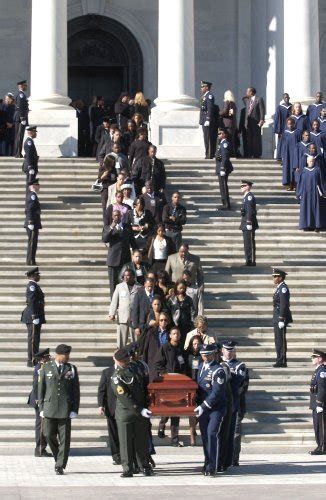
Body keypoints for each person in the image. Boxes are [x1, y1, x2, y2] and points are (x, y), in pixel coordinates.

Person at [38, 344, 80, 475]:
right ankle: (58, 457)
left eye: (68, 355)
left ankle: (60, 465)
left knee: (65, 439)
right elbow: (41, 389)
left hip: (65, 408)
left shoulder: (71, 368)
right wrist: (41, 407)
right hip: (49, 407)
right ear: (58, 355)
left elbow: (75, 391)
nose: (68, 357)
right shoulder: (46, 367)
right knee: (48, 434)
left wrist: (75, 409)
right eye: (66, 355)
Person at [111, 347, 153, 477]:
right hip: (126, 413)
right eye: (126, 359)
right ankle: (128, 468)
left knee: (142, 441)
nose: (129, 360)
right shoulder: (116, 376)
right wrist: (140, 409)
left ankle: (145, 466)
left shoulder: (134, 368)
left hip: (141, 411)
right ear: (119, 361)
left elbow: (143, 386)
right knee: (125, 442)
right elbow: (125, 397)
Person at [194, 343, 227, 476]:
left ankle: (212, 466)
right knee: (205, 437)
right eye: (203, 355)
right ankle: (207, 462)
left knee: (211, 434)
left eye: (207, 355)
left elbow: (217, 393)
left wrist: (203, 406)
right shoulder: (201, 367)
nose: (205, 357)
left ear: (213, 354)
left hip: (215, 408)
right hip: (203, 408)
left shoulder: (218, 370)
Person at [154, 327, 186, 446]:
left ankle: (175, 440)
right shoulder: (165, 348)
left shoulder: (181, 349)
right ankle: (162, 425)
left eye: (178, 333)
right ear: (170, 336)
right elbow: (157, 364)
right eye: (174, 333)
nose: (176, 335)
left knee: (176, 412)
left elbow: (183, 365)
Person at [221, 340, 248, 468]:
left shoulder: (240, 365)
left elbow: (242, 385)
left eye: (231, 350)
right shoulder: (218, 365)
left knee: (235, 434)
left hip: (235, 405)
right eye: (227, 350)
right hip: (220, 405)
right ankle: (222, 458)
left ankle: (233, 459)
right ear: (222, 350)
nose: (229, 352)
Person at [103, 209, 137, 299]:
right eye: (115, 216)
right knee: (113, 285)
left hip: (125, 261)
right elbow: (105, 239)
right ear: (112, 217)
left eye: (118, 215)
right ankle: (114, 306)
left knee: (125, 284)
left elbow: (132, 241)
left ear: (121, 216)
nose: (117, 217)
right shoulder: (108, 227)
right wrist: (111, 227)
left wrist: (136, 252)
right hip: (113, 261)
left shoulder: (127, 227)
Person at [27, 347, 52, 457]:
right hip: (39, 399)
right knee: (41, 424)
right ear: (43, 358)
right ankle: (40, 448)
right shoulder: (40, 368)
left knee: (42, 423)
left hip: (41, 398)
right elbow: (36, 384)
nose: (49, 358)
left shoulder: (44, 366)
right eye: (47, 357)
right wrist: (38, 399)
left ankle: (41, 448)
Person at [108, 268, 142, 348]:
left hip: (135, 318)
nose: (126, 277)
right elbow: (114, 301)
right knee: (121, 341)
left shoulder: (140, 287)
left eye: (128, 276)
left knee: (135, 340)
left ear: (133, 276)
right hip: (122, 317)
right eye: (125, 276)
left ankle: (135, 357)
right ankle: (120, 357)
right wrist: (111, 313)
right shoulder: (119, 287)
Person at [21, 267, 46, 367]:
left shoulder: (35, 285)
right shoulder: (32, 286)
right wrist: (34, 316)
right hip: (33, 316)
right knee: (33, 340)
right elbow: (31, 301)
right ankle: (32, 360)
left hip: (36, 315)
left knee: (35, 339)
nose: (39, 276)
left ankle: (34, 359)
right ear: (33, 276)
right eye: (37, 275)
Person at [97, 362, 121, 465]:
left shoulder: (128, 370)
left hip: (125, 408)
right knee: (113, 433)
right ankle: (116, 456)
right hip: (111, 407)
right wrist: (101, 405)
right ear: (114, 359)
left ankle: (127, 455)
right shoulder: (107, 372)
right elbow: (102, 390)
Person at [297, 155, 326, 232]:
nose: (311, 162)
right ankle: (307, 225)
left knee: (316, 209)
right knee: (306, 209)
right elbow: (299, 183)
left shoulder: (317, 170)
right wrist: (299, 193)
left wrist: (323, 191)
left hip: (315, 193)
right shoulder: (303, 171)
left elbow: (322, 181)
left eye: (313, 161)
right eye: (310, 161)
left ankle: (317, 225)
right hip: (305, 194)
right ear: (307, 161)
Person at [272, 268, 293, 368]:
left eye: (275, 276)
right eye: (273, 276)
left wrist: (281, 318)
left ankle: (282, 360)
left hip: (280, 317)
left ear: (280, 278)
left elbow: (284, 304)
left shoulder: (283, 288)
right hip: (277, 317)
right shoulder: (279, 288)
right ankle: (279, 359)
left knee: (281, 340)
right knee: (278, 340)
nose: (274, 278)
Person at [185, 335, 203, 446]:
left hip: (202, 386)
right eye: (194, 344)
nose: (196, 346)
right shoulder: (188, 355)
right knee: (192, 411)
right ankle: (192, 435)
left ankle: (194, 427)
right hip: (190, 385)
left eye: (198, 344)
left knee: (201, 411)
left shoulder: (204, 355)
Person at [142, 311, 171, 382]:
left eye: (165, 320)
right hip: (153, 362)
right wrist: (144, 364)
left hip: (165, 362)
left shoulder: (170, 333)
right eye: (161, 320)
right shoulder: (151, 332)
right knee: (153, 384)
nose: (163, 322)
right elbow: (146, 348)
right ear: (158, 321)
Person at [167, 280, 195, 348]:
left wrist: (192, 323)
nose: (182, 290)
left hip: (186, 324)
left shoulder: (188, 299)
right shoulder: (172, 299)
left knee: (185, 342)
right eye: (180, 288)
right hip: (175, 324)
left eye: (183, 288)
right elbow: (168, 311)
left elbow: (193, 312)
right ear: (176, 288)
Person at [308, 348, 326, 455]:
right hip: (315, 404)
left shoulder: (322, 371)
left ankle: (322, 448)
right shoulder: (318, 370)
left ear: (319, 359)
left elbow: (323, 389)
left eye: (314, 357)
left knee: (321, 427)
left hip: (320, 404)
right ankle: (320, 446)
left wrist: (319, 403)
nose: (312, 359)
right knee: (317, 426)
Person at [242, 87, 265, 158]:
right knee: (249, 139)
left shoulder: (259, 99)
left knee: (256, 139)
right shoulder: (248, 100)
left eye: (248, 91)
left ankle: (257, 154)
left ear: (251, 92)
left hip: (256, 122)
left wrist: (261, 120)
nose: (246, 93)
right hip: (248, 122)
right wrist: (245, 123)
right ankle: (250, 153)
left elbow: (262, 110)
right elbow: (243, 99)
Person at [239, 180, 258, 266]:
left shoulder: (249, 197)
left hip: (248, 223)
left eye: (243, 186)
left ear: (247, 187)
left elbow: (250, 210)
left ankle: (251, 260)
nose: (241, 187)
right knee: (247, 243)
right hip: (245, 223)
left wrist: (249, 222)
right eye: (241, 186)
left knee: (249, 242)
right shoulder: (246, 196)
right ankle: (248, 260)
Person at [215, 128, 234, 210]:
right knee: (222, 187)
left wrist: (222, 168)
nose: (219, 135)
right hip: (220, 167)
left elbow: (225, 157)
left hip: (223, 168)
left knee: (223, 186)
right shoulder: (221, 143)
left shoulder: (225, 143)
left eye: (220, 133)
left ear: (225, 134)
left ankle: (226, 204)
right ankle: (224, 203)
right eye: (218, 134)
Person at [24, 179, 42, 266]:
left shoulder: (33, 195)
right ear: (33, 186)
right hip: (32, 223)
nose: (39, 186)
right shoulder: (32, 195)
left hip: (33, 222)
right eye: (37, 185)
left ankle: (31, 260)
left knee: (33, 243)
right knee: (32, 243)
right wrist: (30, 222)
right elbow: (30, 209)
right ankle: (30, 261)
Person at [199, 81, 218, 159]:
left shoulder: (209, 96)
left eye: (202, 87)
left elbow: (210, 108)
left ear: (207, 87)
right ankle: (208, 154)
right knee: (206, 138)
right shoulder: (205, 96)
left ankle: (209, 155)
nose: (201, 88)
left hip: (207, 120)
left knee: (208, 138)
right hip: (204, 120)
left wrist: (208, 119)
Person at [281, 117, 301, 190]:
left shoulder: (297, 132)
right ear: (287, 124)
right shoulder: (285, 132)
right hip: (287, 154)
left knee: (295, 169)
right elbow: (282, 144)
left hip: (295, 153)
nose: (290, 125)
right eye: (288, 124)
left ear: (294, 124)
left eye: (291, 124)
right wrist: (282, 155)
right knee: (288, 169)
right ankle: (290, 185)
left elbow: (300, 143)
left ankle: (295, 185)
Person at [273, 93, 292, 161]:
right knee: (281, 143)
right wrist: (278, 130)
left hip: (290, 128)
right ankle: (279, 157)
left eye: (287, 97)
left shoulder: (292, 107)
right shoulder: (280, 107)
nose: (286, 99)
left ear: (289, 98)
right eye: (285, 97)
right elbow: (277, 119)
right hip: (282, 129)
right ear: (283, 99)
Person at [14, 79, 29, 158]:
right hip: (20, 118)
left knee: (19, 135)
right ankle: (17, 153)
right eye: (25, 85)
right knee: (19, 136)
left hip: (20, 117)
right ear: (21, 86)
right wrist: (22, 118)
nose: (26, 87)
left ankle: (18, 153)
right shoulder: (21, 95)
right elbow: (20, 106)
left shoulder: (22, 95)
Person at [219, 90, 237, 154]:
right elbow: (231, 114)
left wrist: (218, 113)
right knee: (231, 139)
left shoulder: (227, 102)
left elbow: (224, 111)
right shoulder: (233, 104)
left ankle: (230, 153)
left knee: (228, 139)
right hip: (232, 124)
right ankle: (232, 153)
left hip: (227, 124)